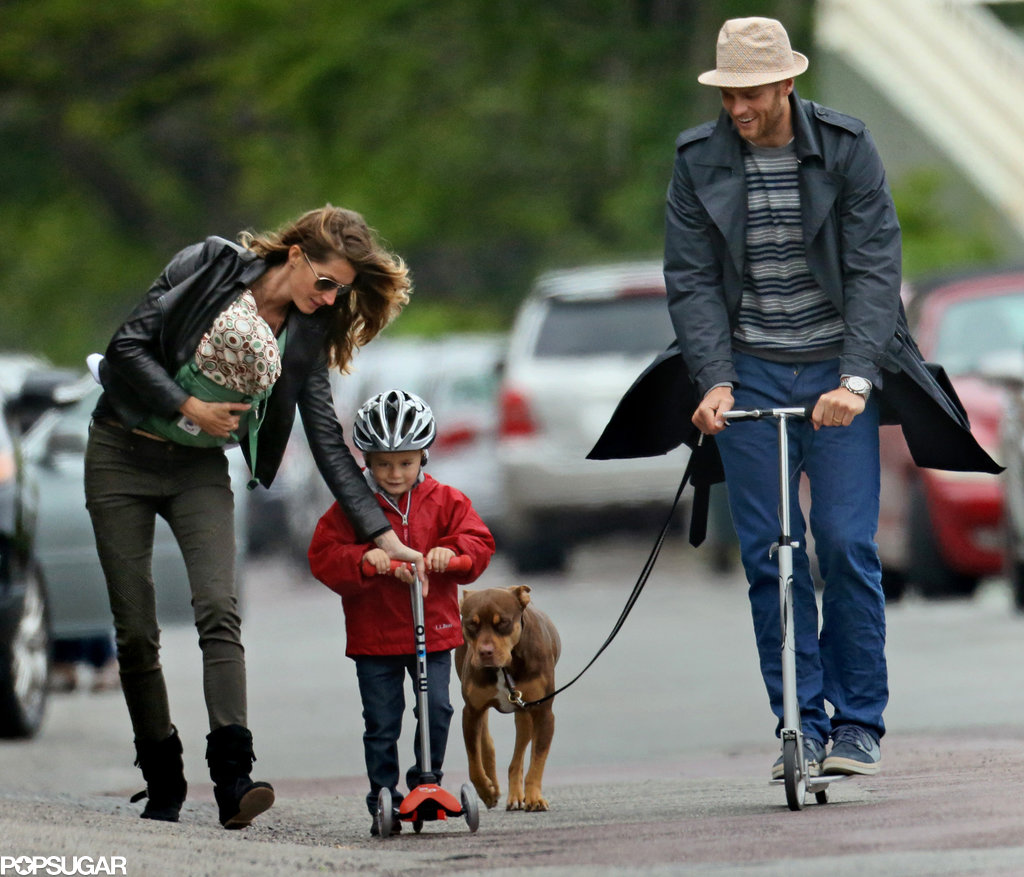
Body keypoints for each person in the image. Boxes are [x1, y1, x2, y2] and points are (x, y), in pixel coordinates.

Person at [588, 17, 1001, 781]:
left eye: (749, 93)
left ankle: (858, 724)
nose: (737, 109)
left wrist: (855, 380)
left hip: (836, 371)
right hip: (746, 371)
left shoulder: (845, 147)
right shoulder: (697, 160)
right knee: (769, 554)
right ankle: (798, 724)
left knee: (845, 544)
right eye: (727, 94)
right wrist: (714, 378)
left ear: (785, 84)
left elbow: (877, 268)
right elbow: (692, 280)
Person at [85, 205, 425, 829]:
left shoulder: (305, 333)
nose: (330, 300)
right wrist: (191, 404)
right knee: (136, 630)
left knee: (219, 609)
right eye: (325, 283)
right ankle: (162, 775)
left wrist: (383, 533)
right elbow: (126, 347)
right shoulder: (207, 266)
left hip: (197, 471)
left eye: (342, 292)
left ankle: (233, 778)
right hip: (119, 454)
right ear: (296, 256)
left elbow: (325, 437)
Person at [307, 389, 495, 835]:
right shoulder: (352, 509)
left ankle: (425, 784)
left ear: (423, 458)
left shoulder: (446, 500)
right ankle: (383, 797)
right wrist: (363, 560)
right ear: (366, 462)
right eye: (384, 464)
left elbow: (479, 541)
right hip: (376, 636)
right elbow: (322, 555)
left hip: (435, 630)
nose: (395, 473)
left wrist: (453, 556)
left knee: (438, 708)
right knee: (382, 720)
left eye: (406, 463)